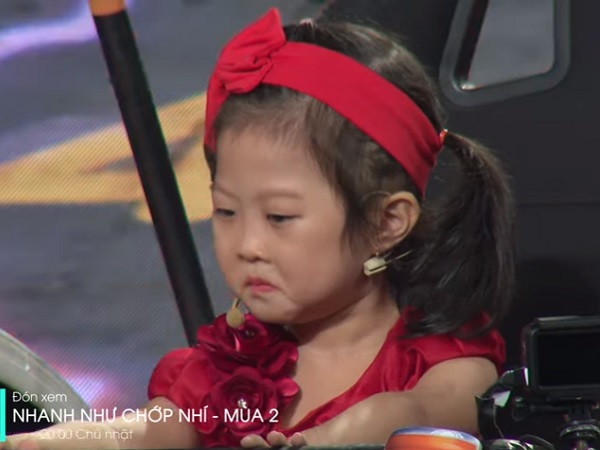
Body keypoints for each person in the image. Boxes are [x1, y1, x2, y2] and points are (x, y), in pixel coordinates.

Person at [4, 7, 515, 449]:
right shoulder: (228, 370)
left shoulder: (442, 366)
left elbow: (420, 414)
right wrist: (38, 440)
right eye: (226, 212)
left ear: (387, 222)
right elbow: (145, 431)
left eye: (279, 218)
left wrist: (332, 437)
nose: (247, 246)